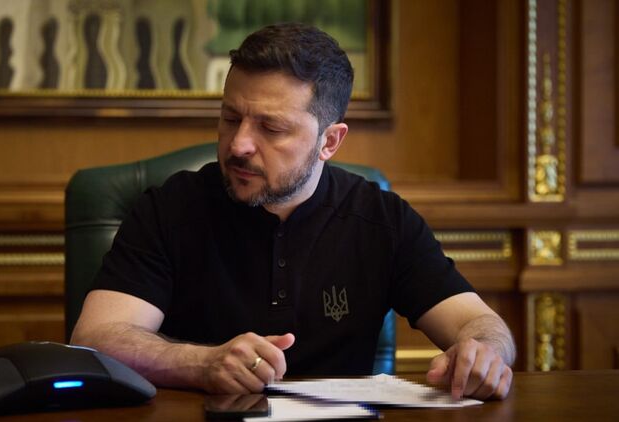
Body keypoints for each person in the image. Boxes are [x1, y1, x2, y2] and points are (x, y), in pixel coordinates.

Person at [71, 23, 515, 400]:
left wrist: (483, 353)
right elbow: (95, 338)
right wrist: (201, 363)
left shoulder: (381, 218)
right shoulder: (169, 208)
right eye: (231, 118)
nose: (239, 145)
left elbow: (480, 323)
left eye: (271, 127)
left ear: (330, 141)